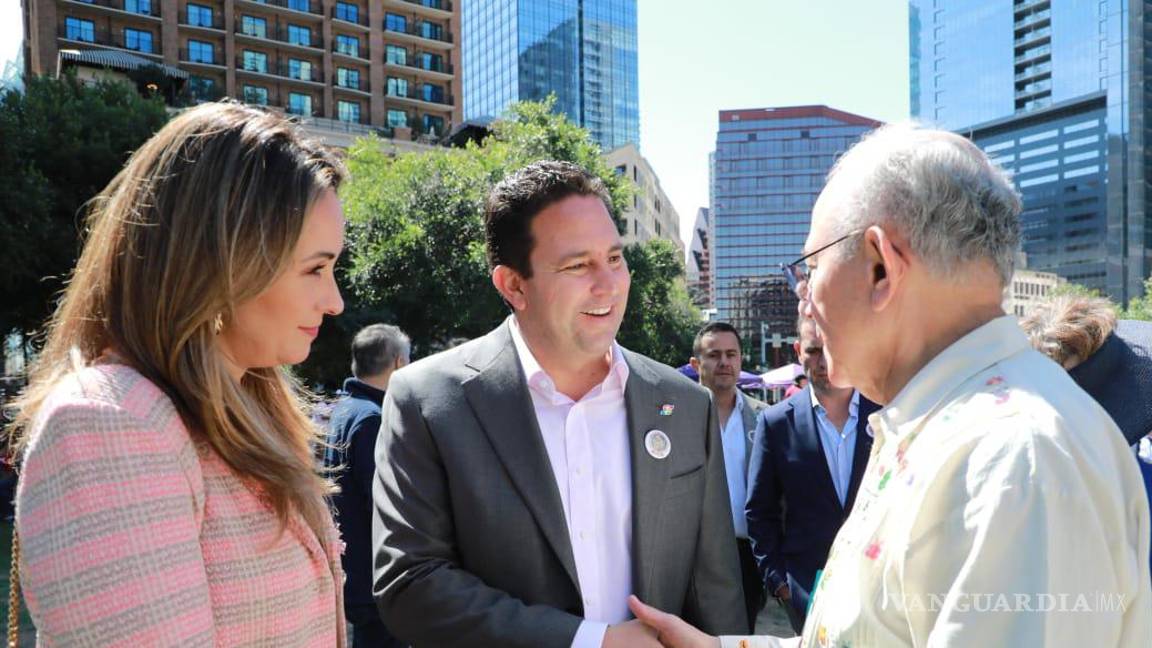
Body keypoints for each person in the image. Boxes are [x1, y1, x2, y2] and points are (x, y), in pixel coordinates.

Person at [627, 123, 1152, 647]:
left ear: (881, 268)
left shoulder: (1013, 462)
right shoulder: (945, 426)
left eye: (809, 268)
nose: (802, 298)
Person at [8, 103, 350, 646]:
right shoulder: (108, 425)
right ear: (220, 262)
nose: (334, 301)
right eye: (315, 268)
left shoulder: (246, 408)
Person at [372, 160, 745, 647]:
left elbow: (715, 588)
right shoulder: (428, 400)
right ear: (513, 285)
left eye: (614, 258)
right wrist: (591, 642)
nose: (609, 286)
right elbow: (411, 584)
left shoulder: (683, 405)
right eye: (578, 265)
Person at [745, 316, 879, 634]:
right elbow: (760, 511)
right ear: (798, 351)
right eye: (814, 350)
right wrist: (779, 582)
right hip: (807, 590)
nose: (824, 360)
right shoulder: (776, 424)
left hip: (878, 585)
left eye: (833, 347)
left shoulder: (886, 413)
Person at [325, 324, 410, 648]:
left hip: (356, 572)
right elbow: (385, 506)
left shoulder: (347, 408)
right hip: (378, 579)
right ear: (399, 363)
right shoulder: (373, 418)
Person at [688, 321, 767, 631]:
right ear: (696, 364)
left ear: (740, 360)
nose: (724, 362)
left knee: (740, 635)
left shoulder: (764, 418)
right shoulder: (674, 417)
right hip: (691, 553)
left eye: (731, 354)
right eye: (714, 354)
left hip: (745, 554)